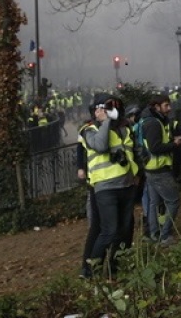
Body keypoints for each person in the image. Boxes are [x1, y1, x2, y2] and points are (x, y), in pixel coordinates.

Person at [81, 96, 139, 276]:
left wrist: (137, 175)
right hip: (105, 188)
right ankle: (92, 271)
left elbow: (133, 151)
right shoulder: (88, 130)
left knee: (124, 230)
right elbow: (100, 145)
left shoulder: (123, 128)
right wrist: (104, 122)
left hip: (127, 185)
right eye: (105, 108)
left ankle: (115, 269)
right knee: (109, 230)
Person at [139, 94, 181, 245]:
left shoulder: (152, 120)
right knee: (174, 201)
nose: (169, 108)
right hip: (159, 169)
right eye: (166, 105)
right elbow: (155, 147)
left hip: (151, 168)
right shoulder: (154, 123)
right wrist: (174, 144)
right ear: (156, 107)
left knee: (154, 203)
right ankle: (164, 236)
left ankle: (154, 234)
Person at [76, 100, 102, 278]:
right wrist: (81, 168)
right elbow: (80, 151)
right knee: (96, 223)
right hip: (95, 179)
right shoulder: (86, 129)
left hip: (99, 179)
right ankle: (88, 266)